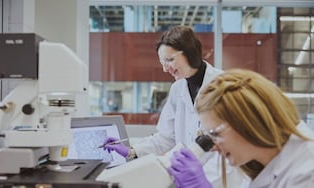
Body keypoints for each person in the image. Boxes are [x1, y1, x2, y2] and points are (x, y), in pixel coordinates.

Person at [103, 25, 244, 187]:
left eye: (169, 60)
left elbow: (232, 144)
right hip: (185, 178)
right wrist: (131, 152)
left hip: (219, 179)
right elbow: (165, 136)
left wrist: (204, 183)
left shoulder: (224, 85)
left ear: (190, 53)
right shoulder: (178, 89)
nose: (165, 68)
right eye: (162, 62)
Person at [168, 69, 314, 188]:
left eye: (216, 133)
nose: (213, 148)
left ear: (247, 121)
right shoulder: (259, 165)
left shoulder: (307, 170)